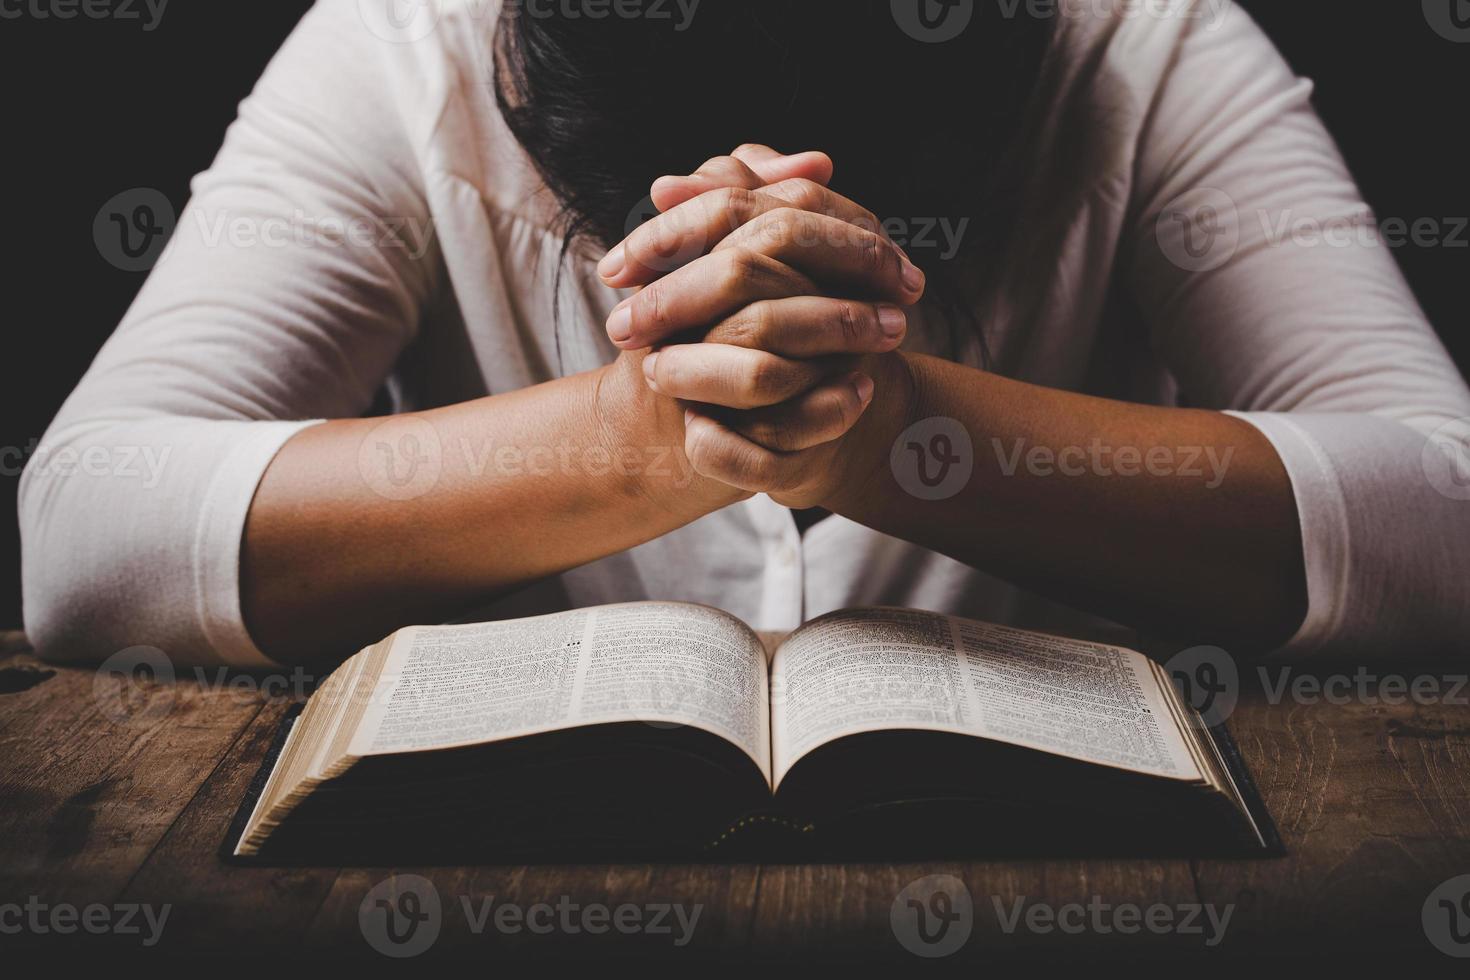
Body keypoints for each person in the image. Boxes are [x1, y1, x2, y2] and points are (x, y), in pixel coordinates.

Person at [20, 0, 1470, 669]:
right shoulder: (407, 46)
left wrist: (900, 441)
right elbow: (93, 529)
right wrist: (645, 433)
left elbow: (1444, 505)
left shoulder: (1140, 45)